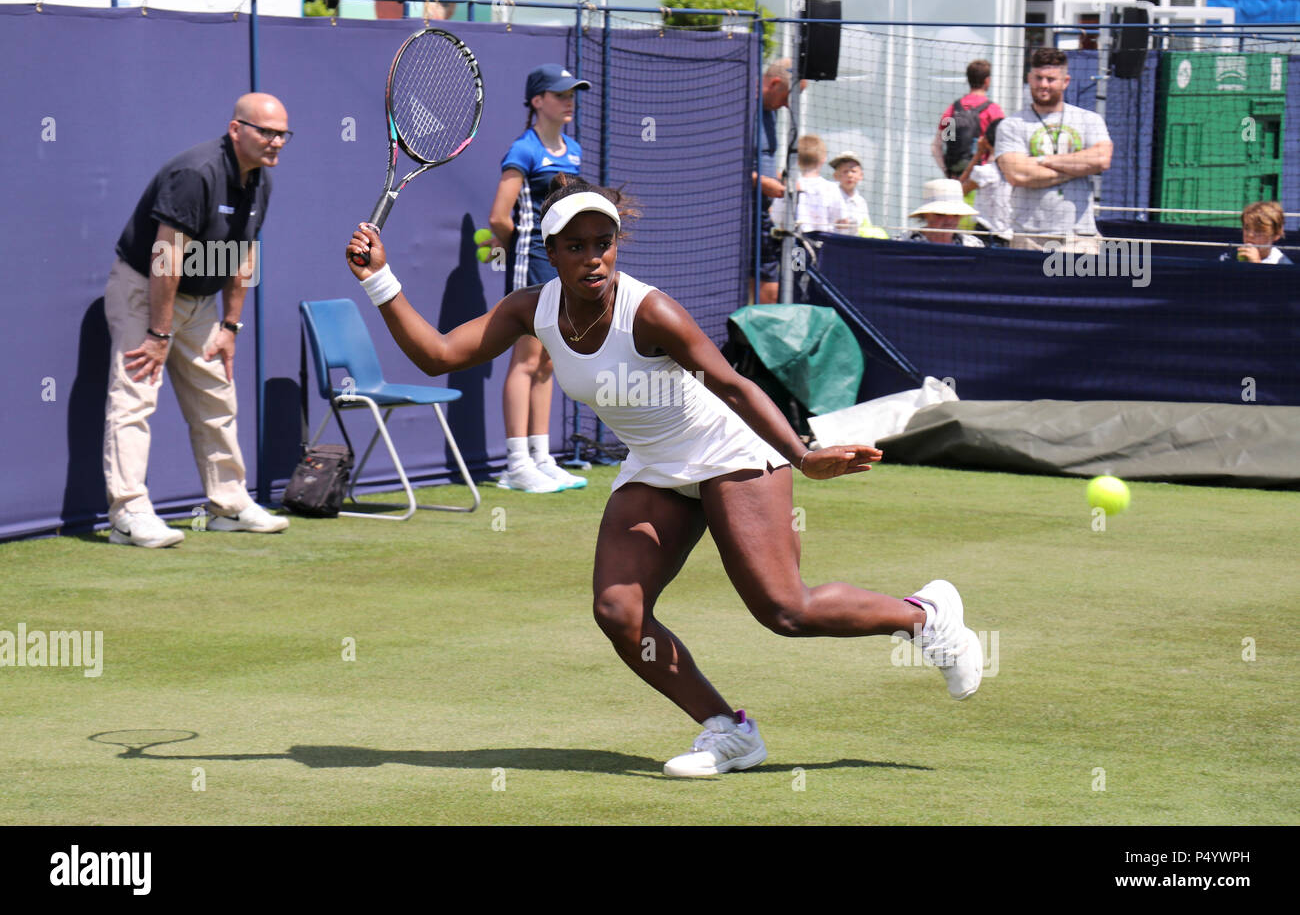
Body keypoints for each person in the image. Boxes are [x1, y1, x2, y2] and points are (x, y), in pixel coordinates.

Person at [344, 175, 984, 777]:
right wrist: (381, 280)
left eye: (604, 243)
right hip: (655, 464)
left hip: (729, 450)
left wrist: (801, 454)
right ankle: (729, 730)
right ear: (554, 254)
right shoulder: (530, 310)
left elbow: (733, 386)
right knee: (618, 611)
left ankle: (924, 615)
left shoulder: (651, 312)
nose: (594, 258)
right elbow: (438, 355)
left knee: (785, 610)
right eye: (576, 247)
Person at [102, 93, 291, 548]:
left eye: (283, 134)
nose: (276, 142)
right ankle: (128, 514)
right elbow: (165, 258)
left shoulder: (260, 181)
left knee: (216, 400)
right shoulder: (196, 173)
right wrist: (158, 333)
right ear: (236, 129)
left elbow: (244, 254)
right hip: (145, 291)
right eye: (266, 132)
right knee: (134, 399)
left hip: (200, 304)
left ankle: (228, 505)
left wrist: (230, 327)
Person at [485, 64, 592, 493]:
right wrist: (525, 252)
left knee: (549, 361)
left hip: (562, 270)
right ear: (537, 102)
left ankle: (541, 457)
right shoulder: (523, 151)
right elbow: (498, 217)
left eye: (572, 94)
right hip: (532, 265)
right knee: (527, 360)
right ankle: (515, 464)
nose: (569, 101)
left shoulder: (574, 150)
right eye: (560, 94)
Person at [994, 47, 1112, 253]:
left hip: (1078, 235)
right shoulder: (1011, 124)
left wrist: (1040, 160)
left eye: (1050, 79)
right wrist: (1079, 167)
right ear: (1029, 79)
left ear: (1065, 81)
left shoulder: (1088, 119)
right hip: (1028, 235)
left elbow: (1102, 159)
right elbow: (1018, 174)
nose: (1043, 85)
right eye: (1038, 78)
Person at [757, 58, 800, 305]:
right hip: (738, 217)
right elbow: (723, 162)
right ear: (774, 83)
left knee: (769, 286)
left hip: (763, 213)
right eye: (786, 97)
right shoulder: (742, 108)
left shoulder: (770, 113)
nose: (786, 106)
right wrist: (761, 182)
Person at [932, 59, 1005, 179]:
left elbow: (937, 146)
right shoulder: (993, 111)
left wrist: (947, 171)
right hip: (980, 181)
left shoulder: (952, 109)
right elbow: (1000, 147)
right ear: (987, 81)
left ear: (968, 80)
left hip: (956, 180)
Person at [768, 135, 840, 233]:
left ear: (797, 161)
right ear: (823, 159)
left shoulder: (789, 186)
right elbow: (839, 220)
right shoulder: (832, 188)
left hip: (793, 244)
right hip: (823, 244)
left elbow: (776, 217)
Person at [958, 118, 1013, 245]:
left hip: (985, 236)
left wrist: (979, 153)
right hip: (1011, 235)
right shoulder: (1019, 174)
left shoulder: (985, 172)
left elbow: (958, 190)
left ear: (987, 141)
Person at [906, 179, 986, 247]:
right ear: (926, 215)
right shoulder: (903, 243)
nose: (949, 220)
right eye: (941, 214)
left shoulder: (973, 246)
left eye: (955, 215)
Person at [1218, 201, 1294, 264]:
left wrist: (1257, 264)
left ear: (1276, 235)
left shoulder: (1282, 263)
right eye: (1247, 228)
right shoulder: (1229, 257)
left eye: (1259, 231)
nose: (1250, 235)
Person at [826, 151, 873, 235]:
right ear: (836, 176)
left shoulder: (861, 202)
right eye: (845, 171)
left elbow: (866, 228)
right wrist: (835, 225)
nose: (849, 175)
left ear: (861, 175)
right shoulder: (829, 196)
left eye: (853, 171)